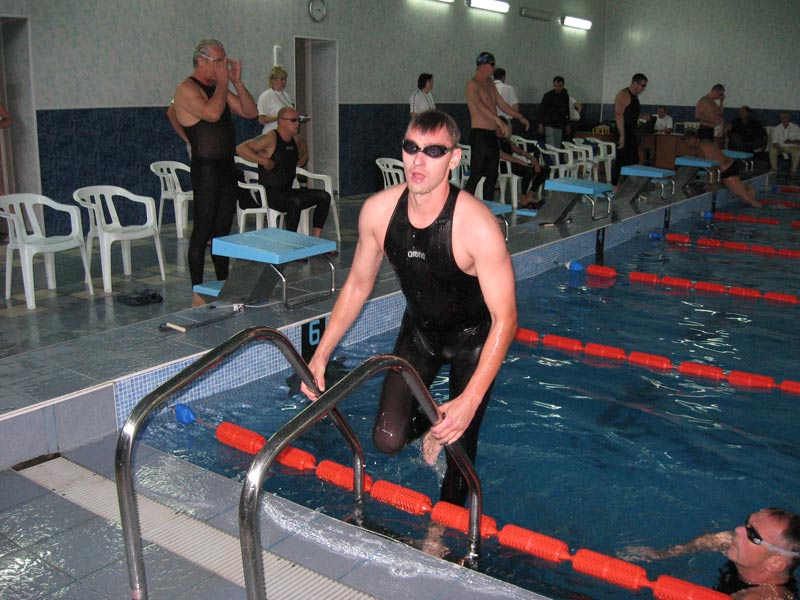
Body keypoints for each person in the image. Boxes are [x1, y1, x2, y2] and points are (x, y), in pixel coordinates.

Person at [301, 110, 517, 508]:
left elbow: (506, 318)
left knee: (460, 448)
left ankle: (442, 532)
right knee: (387, 439)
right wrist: (320, 355)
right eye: (411, 147)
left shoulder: (476, 225)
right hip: (421, 334)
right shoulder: (378, 212)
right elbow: (357, 285)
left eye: (434, 151)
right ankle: (433, 424)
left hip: (474, 341)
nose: (419, 161)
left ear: (454, 159)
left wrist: (469, 401)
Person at [172, 38, 258, 305]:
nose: (224, 66)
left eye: (224, 60)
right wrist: (223, 83)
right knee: (203, 230)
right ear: (202, 61)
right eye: (219, 61)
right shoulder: (187, 89)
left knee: (222, 231)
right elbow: (211, 114)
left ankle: (223, 285)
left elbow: (250, 112)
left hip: (226, 167)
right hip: (206, 169)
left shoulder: (218, 88)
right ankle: (197, 292)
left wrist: (236, 82)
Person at [619, 508, 799, 599]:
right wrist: (661, 555)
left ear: (775, 563)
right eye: (747, 523)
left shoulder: (764, 596)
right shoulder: (739, 545)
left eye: (753, 535)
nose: (738, 530)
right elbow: (711, 540)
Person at [236, 107, 331, 237]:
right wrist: (263, 161)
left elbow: (302, 143)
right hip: (269, 195)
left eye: (298, 120)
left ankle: (316, 238)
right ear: (281, 121)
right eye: (293, 120)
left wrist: (304, 156)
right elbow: (241, 148)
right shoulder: (270, 138)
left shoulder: (295, 139)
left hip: (288, 191)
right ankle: (290, 240)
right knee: (295, 201)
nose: (297, 123)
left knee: (324, 196)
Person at [464, 51, 529, 200]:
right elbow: (479, 105)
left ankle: (488, 208)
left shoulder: (489, 83)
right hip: (479, 134)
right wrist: (498, 121)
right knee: (476, 174)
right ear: (483, 65)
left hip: (491, 135)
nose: (494, 68)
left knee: (493, 174)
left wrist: (519, 116)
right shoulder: (472, 85)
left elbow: (501, 103)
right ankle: (462, 207)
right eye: (492, 64)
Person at [682, 128, 762, 207]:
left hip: (727, 171)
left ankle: (760, 208)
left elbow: (713, 166)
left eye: (687, 141)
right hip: (727, 168)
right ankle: (746, 187)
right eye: (685, 141)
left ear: (694, 139)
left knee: (747, 199)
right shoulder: (701, 144)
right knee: (744, 196)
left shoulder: (704, 147)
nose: (687, 143)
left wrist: (710, 184)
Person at [497, 127, 549, 208]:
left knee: (545, 169)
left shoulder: (506, 140)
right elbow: (501, 155)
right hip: (503, 165)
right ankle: (523, 198)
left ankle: (530, 194)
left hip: (514, 163)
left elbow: (520, 151)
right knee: (528, 171)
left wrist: (533, 159)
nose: (503, 131)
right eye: (500, 128)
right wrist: (519, 161)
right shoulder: (493, 140)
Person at [612, 73, 648, 185]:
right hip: (623, 130)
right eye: (642, 85)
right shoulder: (624, 94)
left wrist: (641, 116)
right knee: (621, 160)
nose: (644, 88)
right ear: (635, 83)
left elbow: (630, 114)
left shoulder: (635, 96)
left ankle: (628, 186)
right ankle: (614, 187)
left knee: (633, 160)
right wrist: (622, 135)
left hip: (631, 131)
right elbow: (619, 115)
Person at [257, 66, 294, 135]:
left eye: (285, 79)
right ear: (273, 80)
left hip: (285, 134)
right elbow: (261, 119)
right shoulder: (266, 96)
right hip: (271, 133)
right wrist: (279, 117)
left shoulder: (286, 95)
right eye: (282, 79)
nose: (285, 82)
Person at [538, 76, 570, 148]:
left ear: (563, 85)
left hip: (560, 125)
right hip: (549, 124)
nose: (557, 88)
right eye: (556, 86)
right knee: (551, 146)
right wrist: (540, 124)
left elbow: (567, 111)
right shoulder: (548, 96)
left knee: (557, 146)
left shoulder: (565, 96)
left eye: (559, 86)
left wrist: (567, 124)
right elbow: (541, 110)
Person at [768, 112, 800, 179]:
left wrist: (791, 141)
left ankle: (793, 171)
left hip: (791, 147)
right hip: (779, 147)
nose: (784, 119)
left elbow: (799, 140)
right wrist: (780, 148)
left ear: (789, 118)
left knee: (796, 152)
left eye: (786, 117)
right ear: (780, 119)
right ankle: (774, 169)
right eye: (782, 117)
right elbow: (775, 142)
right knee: (772, 151)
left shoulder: (796, 127)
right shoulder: (777, 128)